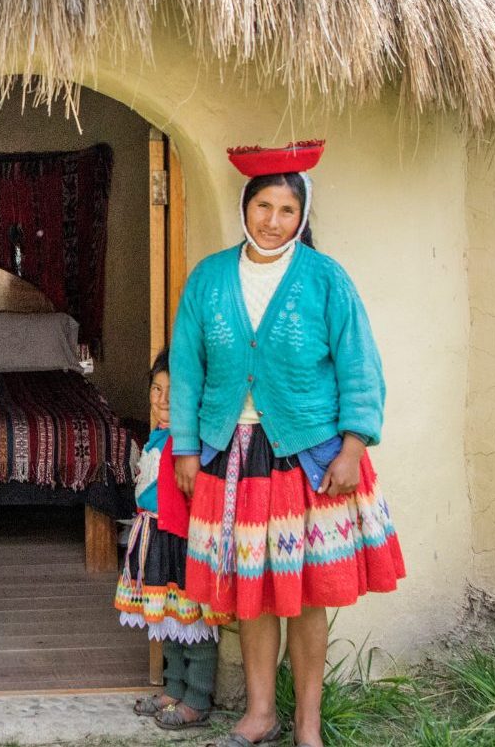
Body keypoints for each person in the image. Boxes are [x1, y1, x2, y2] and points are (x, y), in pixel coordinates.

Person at [168, 141, 405, 747]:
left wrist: (353, 449)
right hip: (234, 455)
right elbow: (188, 371)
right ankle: (259, 714)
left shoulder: (326, 279)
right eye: (263, 206)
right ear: (245, 207)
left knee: (303, 595)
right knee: (255, 594)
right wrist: (188, 449)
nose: (273, 221)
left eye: (287, 211)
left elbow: (360, 367)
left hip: (309, 456)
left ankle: (308, 724)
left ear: (302, 217)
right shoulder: (210, 278)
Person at [115, 349, 218, 730]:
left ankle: (197, 697)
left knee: (194, 622)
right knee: (167, 619)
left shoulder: (189, 444)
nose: (161, 401)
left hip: (181, 543)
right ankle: (173, 688)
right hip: (156, 537)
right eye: (156, 390)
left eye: (172, 392)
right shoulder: (157, 437)